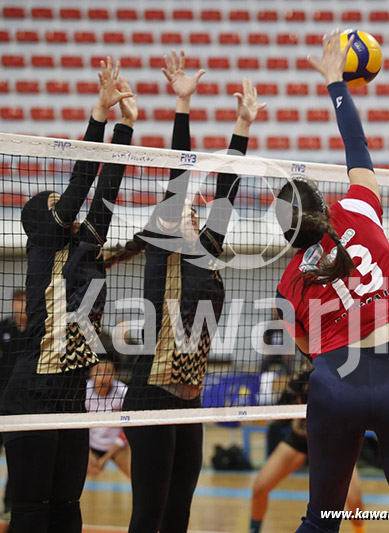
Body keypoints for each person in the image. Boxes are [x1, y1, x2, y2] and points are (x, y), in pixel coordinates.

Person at [275, 31, 389, 532]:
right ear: (323, 202)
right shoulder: (359, 208)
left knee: (322, 521)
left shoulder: (288, 282)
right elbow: (356, 143)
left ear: (289, 235)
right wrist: (333, 81)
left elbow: (302, 342)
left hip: (333, 384)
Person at [105, 49, 265, 533]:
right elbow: (181, 173)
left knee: (179, 513)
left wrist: (242, 126)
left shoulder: (207, 251)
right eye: (185, 210)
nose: (194, 211)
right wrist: (183, 106)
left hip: (189, 398)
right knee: (150, 514)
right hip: (152, 392)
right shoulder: (167, 248)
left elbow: (226, 189)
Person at [0, 58, 137, 533]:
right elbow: (83, 183)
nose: (66, 205)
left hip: (68, 398)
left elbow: (106, 192)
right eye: (56, 205)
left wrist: (126, 129)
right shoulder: (43, 250)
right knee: (33, 512)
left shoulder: (82, 252)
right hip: (31, 394)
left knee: (67, 510)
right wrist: (98, 116)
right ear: (44, 221)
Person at [250, 372, 365, 533]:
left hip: (333, 443)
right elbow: (282, 401)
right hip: (301, 437)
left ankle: (361, 531)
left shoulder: (344, 372)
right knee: (260, 488)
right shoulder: (303, 374)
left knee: (355, 502)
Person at [0, 288, 27, 519]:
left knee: (16, 456)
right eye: (18, 302)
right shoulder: (3, 328)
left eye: (25, 302)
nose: (22, 307)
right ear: (12, 305)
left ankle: (9, 505)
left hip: (21, 406)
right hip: (0, 401)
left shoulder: (37, 330)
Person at [86, 356, 130, 478]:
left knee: (136, 473)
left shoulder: (123, 393)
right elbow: (74, 426)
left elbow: (129, 426)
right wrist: (87, 452)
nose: (103, 376)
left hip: (118, 447)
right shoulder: (82, 391)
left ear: (114, 374)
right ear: (91, 374)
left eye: (108, 371)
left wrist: (106, 458)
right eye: (98, 371)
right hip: (88, 445)